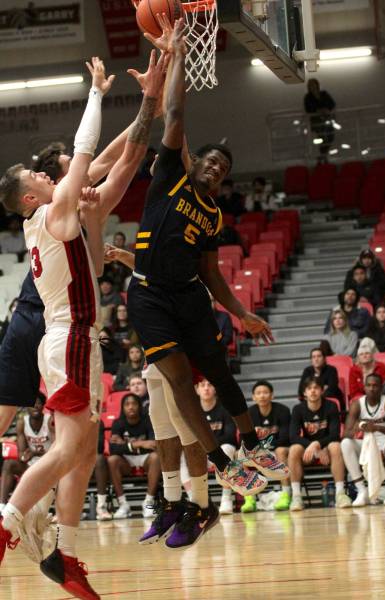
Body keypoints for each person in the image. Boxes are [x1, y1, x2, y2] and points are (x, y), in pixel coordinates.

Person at [0, 52, 166, 595]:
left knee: (86, 446)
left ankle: (64, 554)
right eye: (39, 177)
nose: (52, 177)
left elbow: (119, 162)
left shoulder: (55, 217)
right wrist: (96, 90)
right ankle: (8, 523)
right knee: (70, 449)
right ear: (31, 195)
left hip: (68, 336)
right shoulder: (52, 211)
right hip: (67, 334)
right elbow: (89, 152)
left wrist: (151, 101)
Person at [128, 17, 288, 496]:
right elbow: (174, 115)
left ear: (221, 181)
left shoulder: (214, 216)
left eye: (223, 168)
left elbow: (211, 273)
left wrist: (240, 313)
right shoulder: (171, 177)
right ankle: (222, 461)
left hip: (190, 296)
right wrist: (176, 54)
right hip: (149, 297)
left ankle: (249, 442)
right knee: (178, 379)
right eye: (211, 160)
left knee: (218, 371)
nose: (216, 167)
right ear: (196, 163)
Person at [104, 237, 221, 548]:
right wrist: (119, 255)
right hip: (155, 354)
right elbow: (146, 268)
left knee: (186, 428)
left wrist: (124, 257)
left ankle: (200, 505)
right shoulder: (155, 268)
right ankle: (171, 501)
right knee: (162, 426)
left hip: (180, 354)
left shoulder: (186, 269)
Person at [289, 376, 351, 511]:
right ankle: (296, 497)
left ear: (322, 391)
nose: (313, 391)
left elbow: (334, 434)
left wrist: (318, 444)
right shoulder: (298, 409)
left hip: (327, 448)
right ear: (304, 393)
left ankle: (340, 494)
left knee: (336, 446)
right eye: (309, 389)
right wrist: (313, 446)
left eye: (316, 388)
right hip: (309, 451)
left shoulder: (331, 406)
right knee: (294, 449)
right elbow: (293, 436)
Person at [341, 373, 385, 506]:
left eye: (375, 385)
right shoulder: (357, 404)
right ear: (364, 387)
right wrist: (358, 428)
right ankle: (362, 491)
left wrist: (376, 427)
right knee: (345, 443)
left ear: (380, 387)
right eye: (368, 385)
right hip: (366, 444)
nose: (372, 388)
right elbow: (345, 433)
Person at [107, 393, 161, 518]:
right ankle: (123, 505)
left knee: (156, 457)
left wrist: (125, 445)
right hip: (126, 460)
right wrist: (140, 444)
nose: (130, 407)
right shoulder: (118, 423)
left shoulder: (148, 420)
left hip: (146, 459)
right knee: (112, 460)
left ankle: (148, 503)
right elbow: (113, 449)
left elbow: (154, 445)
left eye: (134, 404)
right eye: (127, 404)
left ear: (139, 406)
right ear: (123, 407)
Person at [189, 378, 237, 515]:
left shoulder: (224, 409)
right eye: (202, 385)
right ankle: (196, 499)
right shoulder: (192, 410)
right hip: (201, 454)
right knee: (184, 455)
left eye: (210, 384)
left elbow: (230, 436)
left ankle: (226, 498)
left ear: (215, 389)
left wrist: (207, 445)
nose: (206, 388)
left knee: (227, 448)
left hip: (220, 452)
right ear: (197, 390)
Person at [0, 393, 53, 510]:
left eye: (38, 403)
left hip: (49, 465)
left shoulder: (49, 421)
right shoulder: (22, 423)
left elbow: (57, 450)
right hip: (31, 465)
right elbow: (22, 453)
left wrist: (35, 453)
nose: (35, 406)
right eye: (32, 404)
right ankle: (2, 506)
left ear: (43, 405)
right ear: (27, 407)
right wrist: (24, 456)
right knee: (9, 464)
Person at [247, 380, 291, 512]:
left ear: (272, 395)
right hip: (258, 452)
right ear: (253, 397)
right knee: (241, 454)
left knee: (281, 451)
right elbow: (245, 440)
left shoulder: (283, 411)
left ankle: (286, 494)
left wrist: (263, 447)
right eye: (258, 393)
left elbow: (285, 438)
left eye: (265, 392)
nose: (262, 396)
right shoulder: (249, 413)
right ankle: (249, 498)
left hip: (277, 450)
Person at [349, 337, 385, 403]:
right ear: (358, 358)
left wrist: (375, 397)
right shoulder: (353, 370)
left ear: (372, 355)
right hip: (361, 401)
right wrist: (366, 399)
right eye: (361, 354)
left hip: (381, 398)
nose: (364, 356)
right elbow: (354, 392)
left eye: (367, 353)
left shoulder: (381, 367)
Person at [304, 78, 336, 161]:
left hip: (327, 119)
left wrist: (326, 109)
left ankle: (323, 155)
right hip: (317, 121)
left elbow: (332, 104)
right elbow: (308, 109)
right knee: (323, 137)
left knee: (330, 136)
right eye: (311, 85)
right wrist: (318, 111)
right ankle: (323, 155)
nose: (312, 87)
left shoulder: (324, 94)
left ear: (317, 85)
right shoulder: (308, 97)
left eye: (314, 85)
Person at [94, 420, 112, 521]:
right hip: (76, 459)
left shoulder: (97, 421)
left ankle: (101, 507)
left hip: (91, 459)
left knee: (100, 459)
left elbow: (99, 447)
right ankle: (68, 510)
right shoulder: (71, 419)